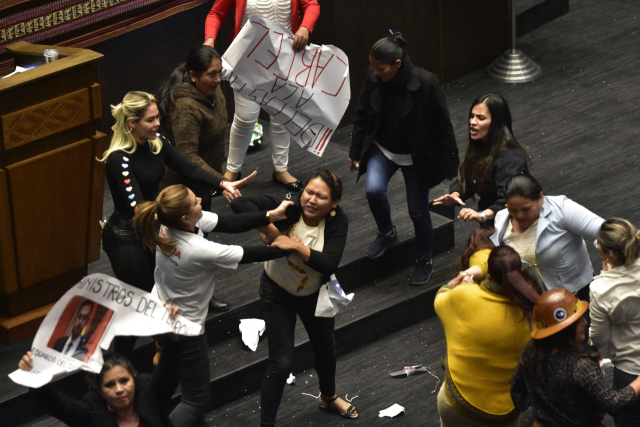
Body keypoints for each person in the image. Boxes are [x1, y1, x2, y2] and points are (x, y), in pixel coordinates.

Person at [100, 91, 252, 358]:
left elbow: (189, 168)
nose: (158, 123)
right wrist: (177, 216)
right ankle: (113, 362)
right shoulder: (119, 159)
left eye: (158, 117)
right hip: (128, 235)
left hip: (156, 222)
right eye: (150, 120)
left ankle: (165, 344)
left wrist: (221, 182)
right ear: (132, 123)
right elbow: (137, 207)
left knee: (167, 284)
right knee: (143, 299)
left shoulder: (157, 142)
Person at [133, 184, 293, 427]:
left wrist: (271, 215)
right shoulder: (198, 250)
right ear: (186, 216)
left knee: (189, 389)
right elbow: (248, 254)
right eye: (195, 201)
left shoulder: (169, 221)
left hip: (161, 309)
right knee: (194, 400)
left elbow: (228, 224)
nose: (200, 198)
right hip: (184, 327)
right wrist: (286, 249)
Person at [230, 169, 357, 425]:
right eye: (309, 192)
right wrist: (268, 222)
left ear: (334, 203)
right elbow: (239, 203)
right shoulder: (289, 204)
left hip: (313, 296)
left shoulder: (337, 222)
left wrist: (296, 246)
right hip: (276, 292)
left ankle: (328, 397)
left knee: (325, 349)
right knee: (281, 364)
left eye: (320, 197)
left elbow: (329, 263)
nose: (311, 200)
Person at [348, 32, 459, 285]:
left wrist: (455, 172)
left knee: (418, 212)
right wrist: (355, 151)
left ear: (397, 65)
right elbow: (362, 113)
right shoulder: (373, 76)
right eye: (373, 67)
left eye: (381, 68)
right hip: (383, 148)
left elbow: (443, 127)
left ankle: (424, 259)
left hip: (416, 156)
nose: (375, 73)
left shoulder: (426, 83)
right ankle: (387, 233)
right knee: (373, 191)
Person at [203, 0, 321, 190]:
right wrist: (210, 38)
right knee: (245, 118)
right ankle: (232, 171)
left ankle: (281, 170)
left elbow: (312, 5)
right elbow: (216, 13)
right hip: (247, 58)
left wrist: (306, 27)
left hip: (285, 57)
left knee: (281, 115)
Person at [157, 45, 231, 312]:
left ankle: (202, 295)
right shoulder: (186, 107)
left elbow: (219, 130)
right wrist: (221, 181)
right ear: (193, 76)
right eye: (212, 74)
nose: (219, 79)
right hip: (182, 191)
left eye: (220, 73)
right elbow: (187, 156)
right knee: (183, 251)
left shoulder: (212, 89)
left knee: (203, 243)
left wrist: (220, 166)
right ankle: (172, 302)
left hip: (206, 184)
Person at [435, 245, 538, 426]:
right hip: (503, 414)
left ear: (489, 274)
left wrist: (463, 281)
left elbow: (442, 294)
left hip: (457, 405)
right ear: (520, 272)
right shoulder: (533, 312)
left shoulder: (463, 296)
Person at [19, 317, 182, 427]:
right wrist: (35, 376)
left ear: (134, 378)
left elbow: (168, 373)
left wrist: (173, 338)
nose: (119, 389)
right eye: (110, 385)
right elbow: (58, 405)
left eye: (124, 381)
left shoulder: (148, 394)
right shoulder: (92, 414)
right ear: (100, 391)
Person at [511, 288, 640, 427]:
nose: (585, 322)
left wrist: (547, 404)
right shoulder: (580, 366)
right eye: (578, 321)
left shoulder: (529, 353)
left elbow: (517, 393)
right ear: (566, 330)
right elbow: (613, 402)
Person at [490, 173, 604, 299]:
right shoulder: (501, 220)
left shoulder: (561, 209)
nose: (519, 215)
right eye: (512, 209)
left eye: (526, 209)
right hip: (539, 301)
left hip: (580, 294)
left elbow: (604, 230)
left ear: (540, 197)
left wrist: (611, 264)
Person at [434, 93, 530, 226]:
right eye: (472, 116)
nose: (473, 122)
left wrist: (482, 215)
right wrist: (456, 194)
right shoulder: (480, 147)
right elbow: (467, 176)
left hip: (512, 226)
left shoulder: (510, 158)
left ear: (496, 122)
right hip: (490, 222)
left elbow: (509, 203)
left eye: (480, 118)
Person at [589, 218, 640, 426]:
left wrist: (606, 276)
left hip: (630, 371)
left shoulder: (601, 289)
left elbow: (600, 338)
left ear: (607, 254)